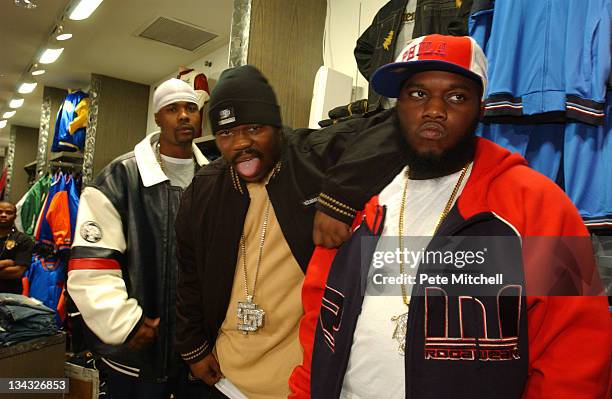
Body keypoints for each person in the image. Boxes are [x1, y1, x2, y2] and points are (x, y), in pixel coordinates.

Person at [291, 34, 612, 398]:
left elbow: (576, 351)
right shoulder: (360, 201)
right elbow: (319, 318)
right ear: (397, 106)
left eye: (457, 96)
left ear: (481, 107)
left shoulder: (537, 204)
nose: (434, 109)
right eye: (417, 94)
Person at [174, 65, 390, 398]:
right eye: (227, 134)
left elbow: (396, 126)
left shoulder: (314, 156)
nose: (241, 144)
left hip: (299, 383)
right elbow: (188, 278)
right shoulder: (203, 191)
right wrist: (193, 348)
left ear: (276, 125)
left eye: (254, 128)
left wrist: (339, 196)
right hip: (224, 379)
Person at [67, 78, 209, 398]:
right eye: (173, 109)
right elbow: (91, 262)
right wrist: (124, 322)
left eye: (191, 108)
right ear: (157, 117)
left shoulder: (213, 178)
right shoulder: (121, 177)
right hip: (139, 353)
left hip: (197, 354)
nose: (184, 115)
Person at [0, 201, 34, 294]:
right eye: (0, 212)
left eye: (9, 212)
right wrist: (6, 263)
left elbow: (18, 272)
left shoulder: (24, 240)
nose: (3, 215)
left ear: (15, 216)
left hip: (8, 296)